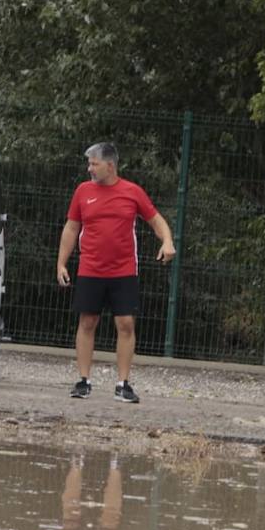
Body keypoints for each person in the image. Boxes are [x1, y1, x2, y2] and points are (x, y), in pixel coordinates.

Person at [55, 142, 176, 403]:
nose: (90, 169)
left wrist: (167, 241)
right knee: (87, 322)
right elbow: (71, 228)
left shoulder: (132, 192)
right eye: (89, 164)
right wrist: (61, 262)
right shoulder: (83, 191)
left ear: (110, 165)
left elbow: (156, 220)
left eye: (94, 164)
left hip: (123, 270)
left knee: (126, 324)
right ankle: (84, 381)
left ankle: (123, 384)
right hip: (90, 268)